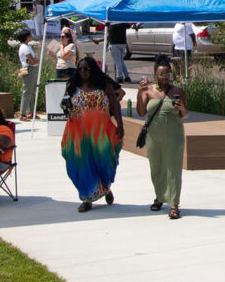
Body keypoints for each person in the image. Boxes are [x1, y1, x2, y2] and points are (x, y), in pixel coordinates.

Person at [60, 55, 124, 213]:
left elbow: (115, 105)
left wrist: (120, 125)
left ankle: (106, 188)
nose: (83, 72)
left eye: (86, 69)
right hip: (78, 133)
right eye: (80, 69)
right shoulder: (72, 86)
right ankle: (87, 198)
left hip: (101, 132)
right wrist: (65, 106)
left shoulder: (104, 86)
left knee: (103, 162)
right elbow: (65, 104)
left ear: (93, 70)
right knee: (82, 164)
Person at [136, 54, 188, 220]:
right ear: (155, 75)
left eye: (167, 74)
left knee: (173, 169)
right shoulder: (148, 91)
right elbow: (141, 112)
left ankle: (174, 204)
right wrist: (139, 93)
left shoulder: (177, 91)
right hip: (154, 136)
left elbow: (185, 115)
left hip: (174, 136)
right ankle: (159, 197)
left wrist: (180, 108)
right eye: (161, 74)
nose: (165, 77)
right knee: (156, 168)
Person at [16, 28, 39, 121]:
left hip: (31, 69)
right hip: (28, 69)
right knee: (27, 91)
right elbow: (31, 61)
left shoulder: (27, 46)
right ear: (27, 37)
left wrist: (35, 60)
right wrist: (35, 60)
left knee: (32, 91)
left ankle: (31, 111)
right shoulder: (24, 48)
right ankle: (22, 113)